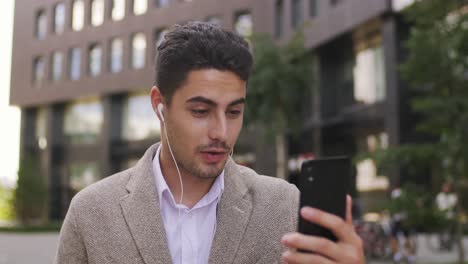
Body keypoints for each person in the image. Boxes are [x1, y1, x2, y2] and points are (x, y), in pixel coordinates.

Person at [54, 22, 364, 264]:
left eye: (234, 111)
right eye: (201, 111)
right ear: (159, 105)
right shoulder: (91, 212)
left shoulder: (284, 206)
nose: (222, 132)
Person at [435, 182, 457, 250]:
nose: (446, 189)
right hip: (441, 217)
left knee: (450, 231)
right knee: (440, 232)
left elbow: (454, 205)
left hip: (450, 216)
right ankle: (442, 245)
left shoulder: (453, 196)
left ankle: (449, 245)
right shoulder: (439, 196)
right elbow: (437, 206)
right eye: (444, 187)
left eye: (447, 187)